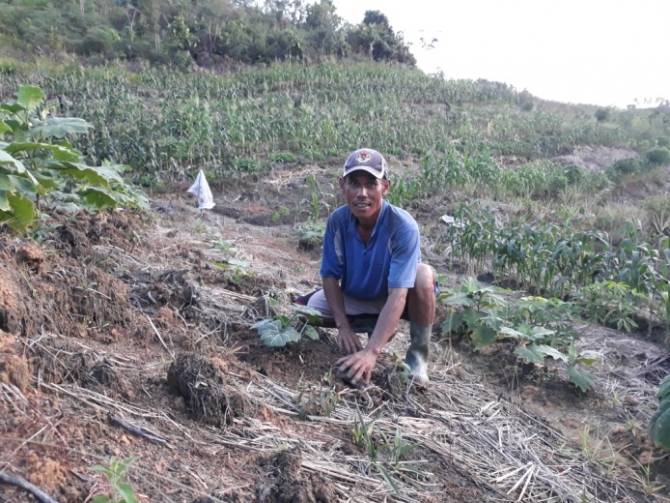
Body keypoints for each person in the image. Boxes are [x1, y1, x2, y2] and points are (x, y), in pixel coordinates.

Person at [296, 148, 436, 386]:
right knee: (304, 311)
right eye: (354, 184)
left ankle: (417, 359)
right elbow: (329, 276)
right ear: (342, 186)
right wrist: (342, 327)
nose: (362, 193)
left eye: (371, 184)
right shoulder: (338, 221)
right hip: (356, 296)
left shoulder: (402, 226)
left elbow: (399, 293)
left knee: (423, 275)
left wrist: (372, 352)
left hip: (394, 298)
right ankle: (372, 324)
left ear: (385, 187)